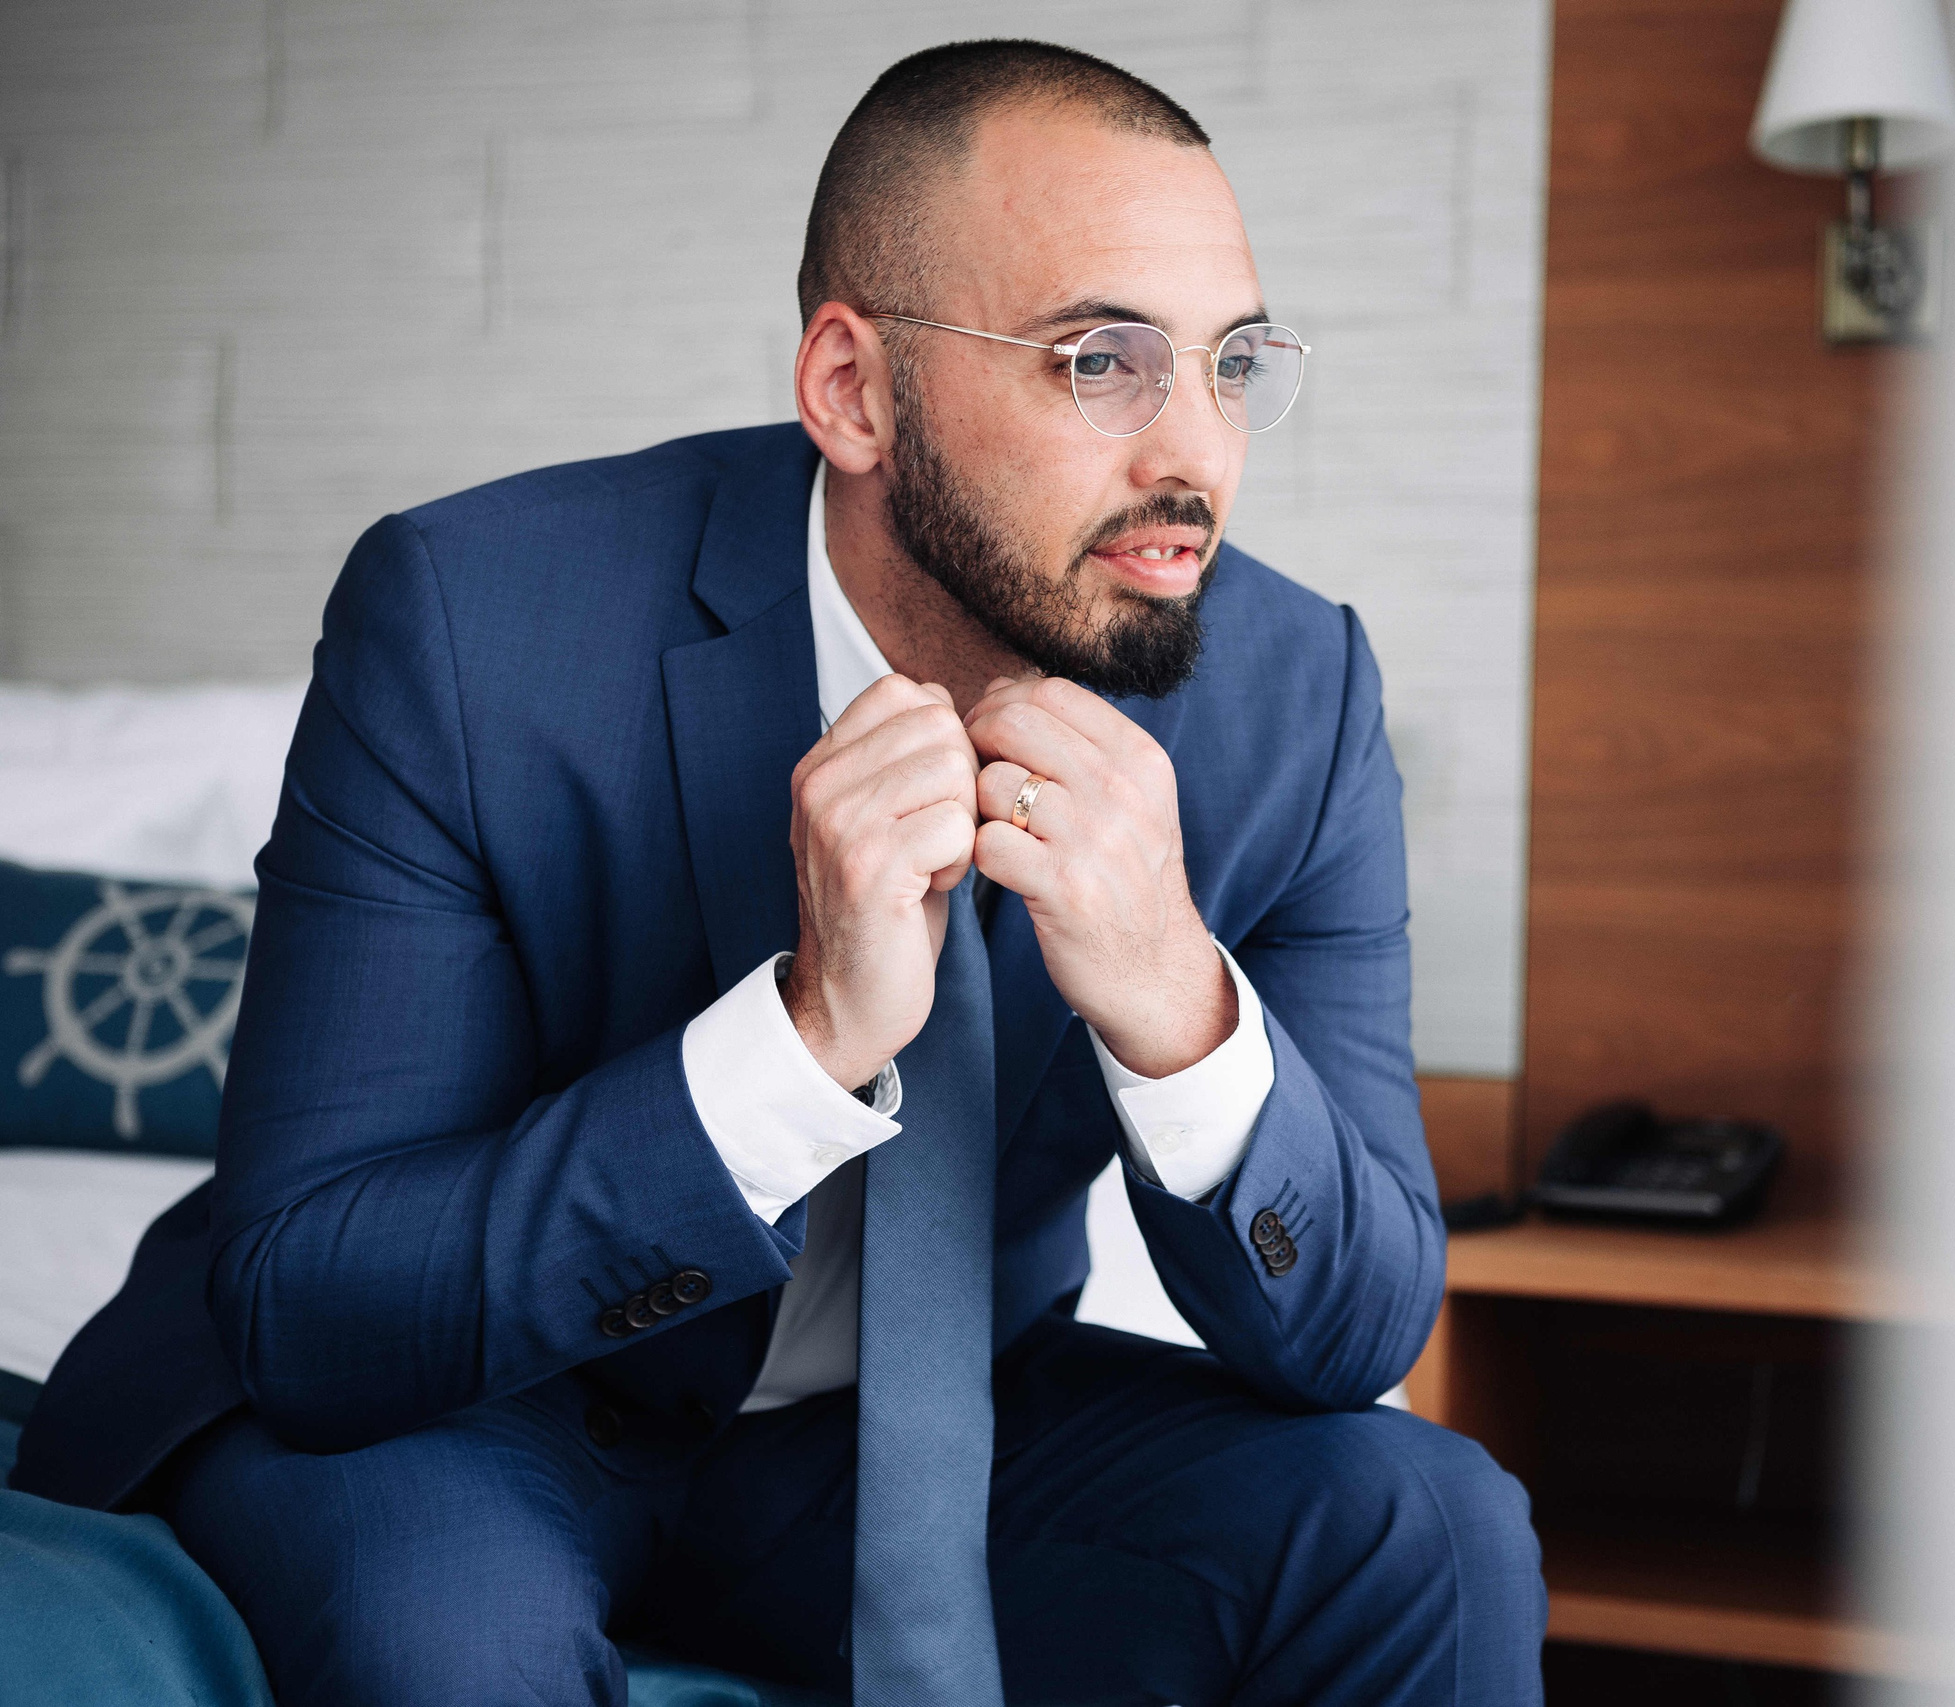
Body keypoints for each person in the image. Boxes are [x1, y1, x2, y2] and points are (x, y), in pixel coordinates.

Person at [9, 36, 1544, 1707]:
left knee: (1429, 1521)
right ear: (854, 390)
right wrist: (798, 1048)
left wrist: (1179, 999)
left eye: (1231, 361)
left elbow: (1355, 1330)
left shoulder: (1294, 698)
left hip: (915, 1431)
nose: (1197, 454)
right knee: (447, 1648)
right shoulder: (471, 622)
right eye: (1101, 361)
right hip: (470, 1403)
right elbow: (315, 1297)